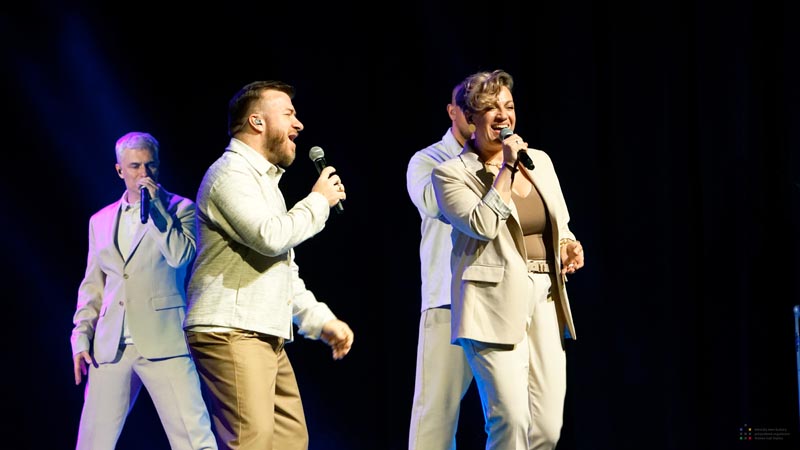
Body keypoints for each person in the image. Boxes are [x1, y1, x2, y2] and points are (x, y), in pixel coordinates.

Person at [184, 80, 355, 450]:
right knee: (252, 442)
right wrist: (318, 201)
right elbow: (270, 236)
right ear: (257, 122)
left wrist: (319, 319)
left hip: (261, 331)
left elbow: (280, 269)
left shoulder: (263, 183)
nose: (299, 124)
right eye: (289, 114)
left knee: (289, 439)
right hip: (229, 330)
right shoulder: (228, 175)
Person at [431, 69, 585, 450]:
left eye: (509, 106)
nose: (503, 115)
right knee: (511, 421)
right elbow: (483, 224)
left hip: (545, 297)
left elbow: (560, 225)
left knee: (547, 428)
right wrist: (506, 169)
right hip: (490, 304)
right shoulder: (449, 174)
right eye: (490, 107)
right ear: (470, 117)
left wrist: (568, 246)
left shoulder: (540, 162)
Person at [70, 131, 217, 450]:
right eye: (135, 166)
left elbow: (180, 256)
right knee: (92, 442)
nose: (143, 174)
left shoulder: (181, 209)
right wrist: (81, 335)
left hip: (164, 339)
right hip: (112, 344)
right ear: (119, 170)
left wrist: (158, 212)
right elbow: (93, 285)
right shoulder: (100, 221)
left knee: (194, 438)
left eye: (150, 166)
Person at [406, 79, 477, 450]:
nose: (484, 116)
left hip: (505, 300)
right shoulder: (429, 159)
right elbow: (437, 204)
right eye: (472, 108)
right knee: (436, 415)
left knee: (513, 414)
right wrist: (476, 156)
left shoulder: (511, 162)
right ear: (453, 112)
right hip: (449, 300)